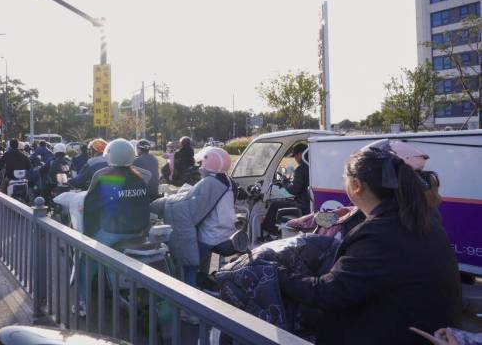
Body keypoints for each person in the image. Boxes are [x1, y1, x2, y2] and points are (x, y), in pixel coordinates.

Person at [278, 142, 462, 345]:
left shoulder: (378, 234)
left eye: (344, 177)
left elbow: (329, 293)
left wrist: (280, 274)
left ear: (356, 185)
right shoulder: (423, 219)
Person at [78, 139, 152, 314]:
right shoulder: (140, 179)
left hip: (114, 232)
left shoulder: (108, 178)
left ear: (110, 156)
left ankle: (83, 302)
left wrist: (88, 233)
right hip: (139, 232)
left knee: (85, 259)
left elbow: (91, 207)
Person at [151, 147, 237, 288]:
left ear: (209, 163)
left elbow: (187, 206)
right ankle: (202, 280)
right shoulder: (227, 181)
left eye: (203, 163)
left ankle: (188, 292)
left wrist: (163, 203)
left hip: (213, 234)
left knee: (188, 263)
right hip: (227, 230)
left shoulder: (210, 182)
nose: (200, 166)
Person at [261, 143, 310, 238]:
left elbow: (295, 191)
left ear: (300, 154)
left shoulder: (301, 168)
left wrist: (284, 183)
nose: (295, 159)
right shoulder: (312, 166)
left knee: (275, 204)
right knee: (282, 202)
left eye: (295, 156)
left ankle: (270, 234)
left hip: (303, 206)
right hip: (308, 204)